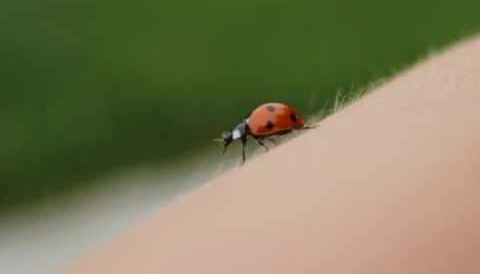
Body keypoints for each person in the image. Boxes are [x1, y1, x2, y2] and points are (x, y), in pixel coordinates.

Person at [59, 37, 480, 274]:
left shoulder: (256, 128)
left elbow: (264, 131)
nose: (234, 140)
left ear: (241, 135)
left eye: (234, 139)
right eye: (234, 139)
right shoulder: (254, 127)